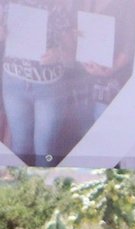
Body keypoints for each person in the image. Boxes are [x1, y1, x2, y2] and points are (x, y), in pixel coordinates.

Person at [1, 0, 89, 167]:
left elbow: (74, 53)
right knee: (20, 146)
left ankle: (44, 183)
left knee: (45, 149)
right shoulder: (5, 4)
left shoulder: (56, 8)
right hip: (13, 85)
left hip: (49, 90)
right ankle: (19, 183)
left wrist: (59, 54)